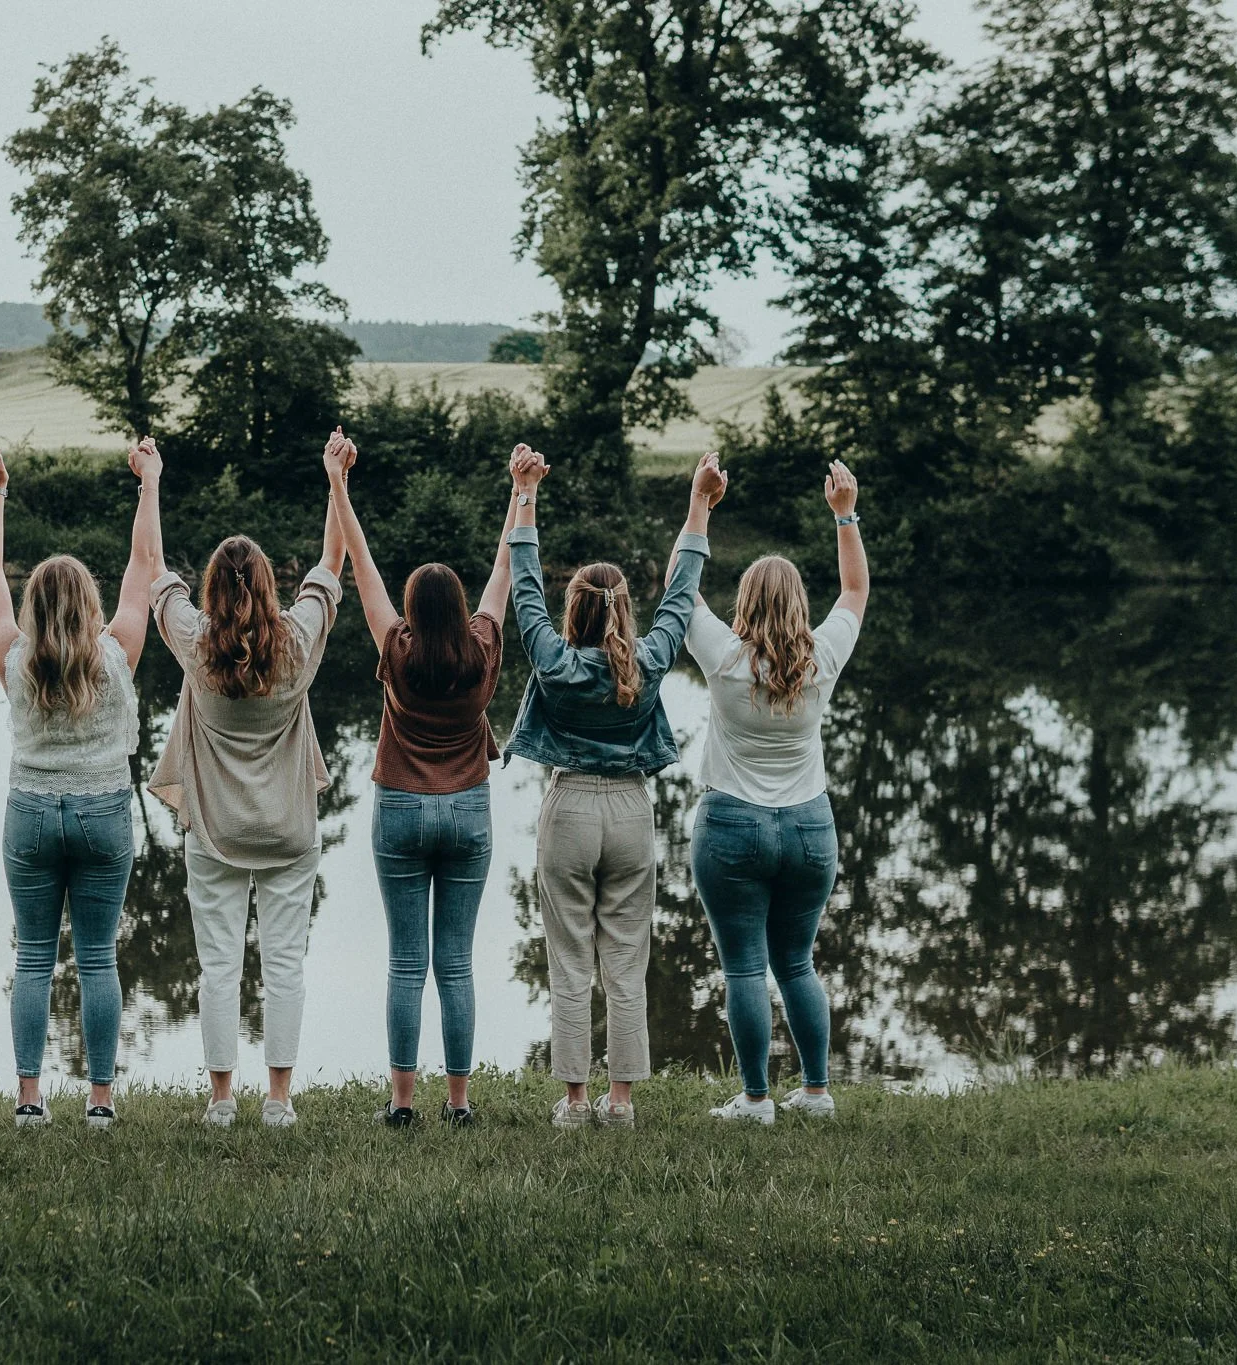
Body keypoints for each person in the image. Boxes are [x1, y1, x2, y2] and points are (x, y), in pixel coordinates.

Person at [504, 447, 725, 1130]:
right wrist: (697, 505)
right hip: (630, 809)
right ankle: (621, 1103)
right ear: (625, 611)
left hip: (568, 806)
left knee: (570, 957)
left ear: (573, 612)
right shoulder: (650, 662)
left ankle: (574, 1103)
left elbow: (523, 588)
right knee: (625, 960)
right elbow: (682, 596)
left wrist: (526, 495)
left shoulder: (554, 659)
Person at [148, 433, 349, 1129]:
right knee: (285, 964)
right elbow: (331, 562)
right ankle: (280, 1099)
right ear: (268, 586)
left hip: (215, 832)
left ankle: (222, 1098)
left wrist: (151, 481)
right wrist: (335, 482)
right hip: (289, 833)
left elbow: (154, 570)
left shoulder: (194, 642)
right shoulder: (296, 643)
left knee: (218, 966)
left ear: (212, 588)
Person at [324, 427, 510, 1128]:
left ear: (413, 609)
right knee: (455, 963)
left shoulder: (396, 647)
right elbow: (503, 574)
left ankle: (402, 1106)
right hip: (468, 811)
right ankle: (459, 1105)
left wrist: (339, 484)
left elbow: (362, 568)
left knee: (408, 962)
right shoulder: (482, 649)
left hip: (401, 807)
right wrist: (520, 498)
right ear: (459, 611)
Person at [0, 438, 163, 1129]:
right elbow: (143, 567)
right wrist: (149, 484)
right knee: (96, 958)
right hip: (104, 813)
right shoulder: (117, 655)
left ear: (35, 606)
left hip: (29, 812)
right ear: (88, 605)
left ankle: (29, 1100)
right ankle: (100, 1101)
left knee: (32, 955)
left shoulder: (14, 658)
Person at [686, 460, 867, 1124]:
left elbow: (682, 590)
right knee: (797, 960)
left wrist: (701, 503)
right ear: (798, 604)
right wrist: (844, 513)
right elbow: (853, 590)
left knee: (743, 968)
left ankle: (757, 1099)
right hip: (810, 829)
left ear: (746, 601)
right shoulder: (822, 657)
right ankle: (816, 1091)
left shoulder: (725, 658)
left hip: (732, 825)